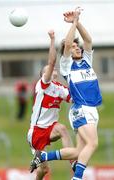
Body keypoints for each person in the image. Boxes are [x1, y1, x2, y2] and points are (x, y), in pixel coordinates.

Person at [29, 8, 102, 180]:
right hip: (82, 109)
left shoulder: (86, 61)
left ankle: (45, 156)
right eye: (74, 47)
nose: (77, 48)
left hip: (91, 109)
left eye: (78, 47)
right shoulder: (67, 66)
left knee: (79, 151)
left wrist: (79, 21)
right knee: (93, 143)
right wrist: (73, 23)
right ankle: (77, 178)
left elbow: (88, 40)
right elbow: (67, 45)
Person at [27, 30, 74, 180]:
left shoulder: (59, 88)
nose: (53, 68)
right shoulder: (43, 85)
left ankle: (73, 162)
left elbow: (75, 99)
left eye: (54, 68)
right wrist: (53, 40)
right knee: (44, 169)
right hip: (36, 132)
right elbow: (52, 61)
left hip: (50, 128)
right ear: (43, 75)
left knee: (62, 128)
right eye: (49, 69)